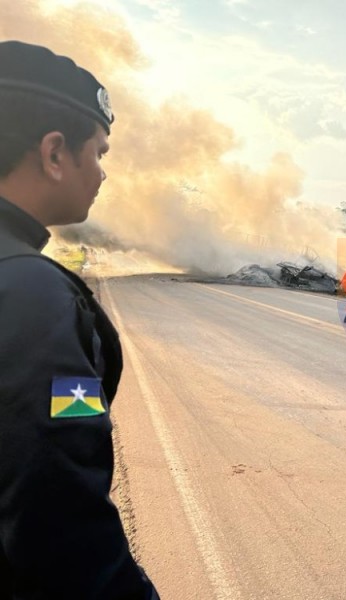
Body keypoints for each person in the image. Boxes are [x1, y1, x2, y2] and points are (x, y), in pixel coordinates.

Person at [0, 41, 160, 599]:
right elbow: (59, 520)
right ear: (53, 153)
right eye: (99, 152)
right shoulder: (32, 298)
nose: (102, 172)